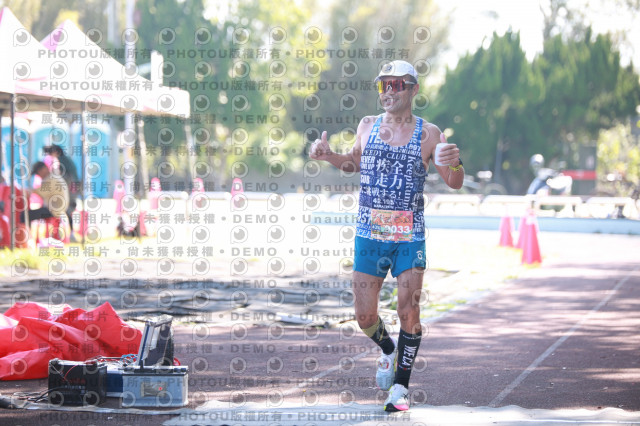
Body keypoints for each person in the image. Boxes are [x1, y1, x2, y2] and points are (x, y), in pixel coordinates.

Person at [309, 60, 464, 412]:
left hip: (409, 238)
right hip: (370, 235)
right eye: (383, 85)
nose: (388, 91)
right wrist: (328, 155)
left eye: (396, 84)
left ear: (413, 89)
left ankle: (400, 389)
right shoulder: (367, 125)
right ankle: (389, 350)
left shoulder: (429, 134)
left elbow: (454, 182)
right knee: (364, 317)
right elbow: (354, 163)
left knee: (409, 309)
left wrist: (454, 162)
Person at [44, 145, 79, 241]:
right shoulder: (65, 160)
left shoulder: (62, 162)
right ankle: (66, 234)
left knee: (66, 211)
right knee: (66, 211)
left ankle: (67, 234)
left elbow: (64, 178)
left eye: (50, 153)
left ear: (56, 152)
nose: (50, 155)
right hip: (71, 189)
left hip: (69, 190)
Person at [21, 161, 70, 227]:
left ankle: (22, 232)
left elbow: (39, 191)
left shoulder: (51, 179)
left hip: (53, 211)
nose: (38, 175)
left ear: (44, 169)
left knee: (24, 216)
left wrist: (26, 191)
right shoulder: (53, 177)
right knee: (29, 214)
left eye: (38, 173)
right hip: (56, 210)